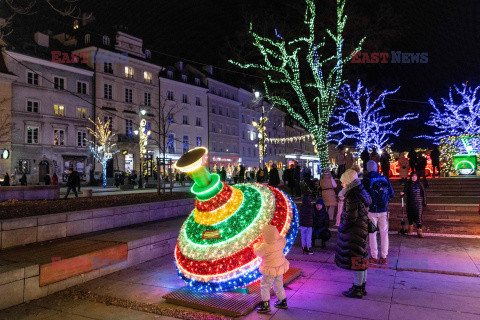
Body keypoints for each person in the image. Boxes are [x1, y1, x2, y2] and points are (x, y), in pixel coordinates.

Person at [335, 169, 372, 299]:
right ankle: (361, 287)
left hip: (355, 231)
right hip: (361, 229)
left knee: (357, 260)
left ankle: (357, 289)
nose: (342, 185)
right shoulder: (360, 190)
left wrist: (341, 228)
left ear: (349, 182)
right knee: (362, 259)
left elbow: (351, 217)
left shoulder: (352, 195)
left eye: (343, 182)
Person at [362, 160, 394, 264]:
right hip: (384, 210)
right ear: (376, 168)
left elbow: (363, 195)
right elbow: (392, 194)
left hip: (371, 211)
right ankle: (384, 257)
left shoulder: (366, 180)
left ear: (368, 168)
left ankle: (374, 256)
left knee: (372, 234)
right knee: (384, 234)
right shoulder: (384, 178)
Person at [254, 224, 289, 313]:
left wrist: (256, 245)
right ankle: (283, 301)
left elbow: (258, 252)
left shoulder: (265, 246)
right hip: (279, 268)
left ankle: (265, 305)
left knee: (265, 286)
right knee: (278, 284)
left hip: (270, 270)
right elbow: (283, 239)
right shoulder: (280, 242)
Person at [401, 172, 427, 238]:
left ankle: (419, 232)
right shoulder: (408, 183)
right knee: (410, 217)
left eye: (415, 176)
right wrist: (403, 194)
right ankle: (410, 231)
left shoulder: (420, 183)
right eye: (413, 176)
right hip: (410, 203)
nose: (414, 177)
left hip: (419, 203)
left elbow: (423, 193)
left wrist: (424, 202)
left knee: (418, 218)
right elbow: (405, 192)